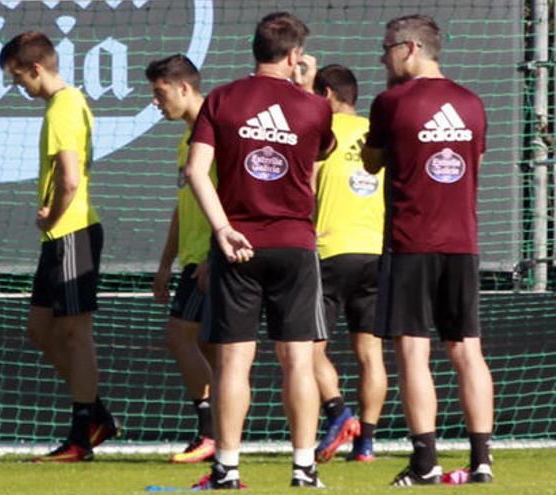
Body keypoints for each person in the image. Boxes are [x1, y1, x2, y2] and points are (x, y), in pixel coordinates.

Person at [184, 12, 336, 489]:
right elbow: (320, 152)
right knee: (298, 361)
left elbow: (194, 172)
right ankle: (304, 468)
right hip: (294, 245)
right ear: (294, 56)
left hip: (238, 246)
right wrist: (307, 89)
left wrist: (223, 229)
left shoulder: (223, 99)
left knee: (233, 363)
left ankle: (226, 469)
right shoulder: (314, 107)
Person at [361, 14, 494, 486]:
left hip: (411, 241)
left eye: (387, 49)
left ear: (411, 48)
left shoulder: (391, 102)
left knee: (413, 354)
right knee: (467, 351)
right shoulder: (472, 103)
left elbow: (372, 161)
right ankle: (482, 461)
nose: (383, 58)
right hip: (462, 242)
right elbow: (473, 161)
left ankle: (425, 460)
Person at [0, 31, 120, 463]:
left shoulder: (64, 107)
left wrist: (52, 214)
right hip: (61, 236)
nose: (21, 89)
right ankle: (98, 413)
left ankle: (80, 437)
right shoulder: (62, 105)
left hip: (74, 231)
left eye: (19, 80)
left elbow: (69, 177)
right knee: (40, 327)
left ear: (36, 69)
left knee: (75, 333)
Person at [310, 64, 387, 463]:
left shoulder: (322, 134)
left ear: (325, 96)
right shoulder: (378, 130)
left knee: (306, 348)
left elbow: (305, 186)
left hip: (330, 250)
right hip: (376, 251)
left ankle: (339, 413)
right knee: (370, 353)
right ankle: (366, 445)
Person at [146, 54, 217, 464]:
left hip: (213, 259)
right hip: (193, 259)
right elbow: (183, 206)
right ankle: (217, 437)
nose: (157, 102)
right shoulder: (185, 140)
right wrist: (164, 263)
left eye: (160, 93)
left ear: (184, 88)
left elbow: (234, 199)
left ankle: (212, 433)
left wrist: (212, 254)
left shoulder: (219, 133)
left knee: (179, 337)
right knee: (209, 350)